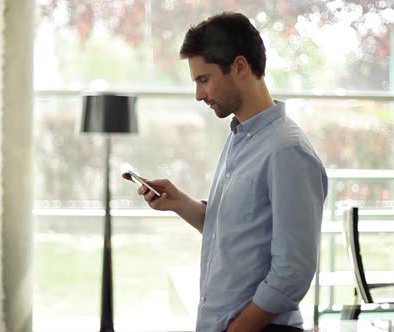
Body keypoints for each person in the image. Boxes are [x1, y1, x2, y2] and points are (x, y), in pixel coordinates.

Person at [123, 12, 328, 332]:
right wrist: (180, 203)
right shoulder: (240, 139)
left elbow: (293, 272)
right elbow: (232, 232)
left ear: (240, 67)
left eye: (204, 79)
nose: (198, 94)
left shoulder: (287, 152)